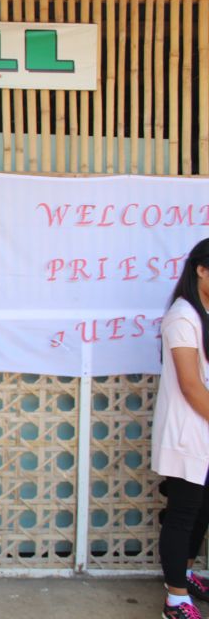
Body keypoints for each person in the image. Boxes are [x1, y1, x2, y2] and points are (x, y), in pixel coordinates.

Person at [152, 238, 209, 619]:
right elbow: (191, 385)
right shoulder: (182, 316)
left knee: (202, 511)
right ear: (201, 270)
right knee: (183, 514)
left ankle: (185, 573)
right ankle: (175, 599)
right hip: (189, 431)